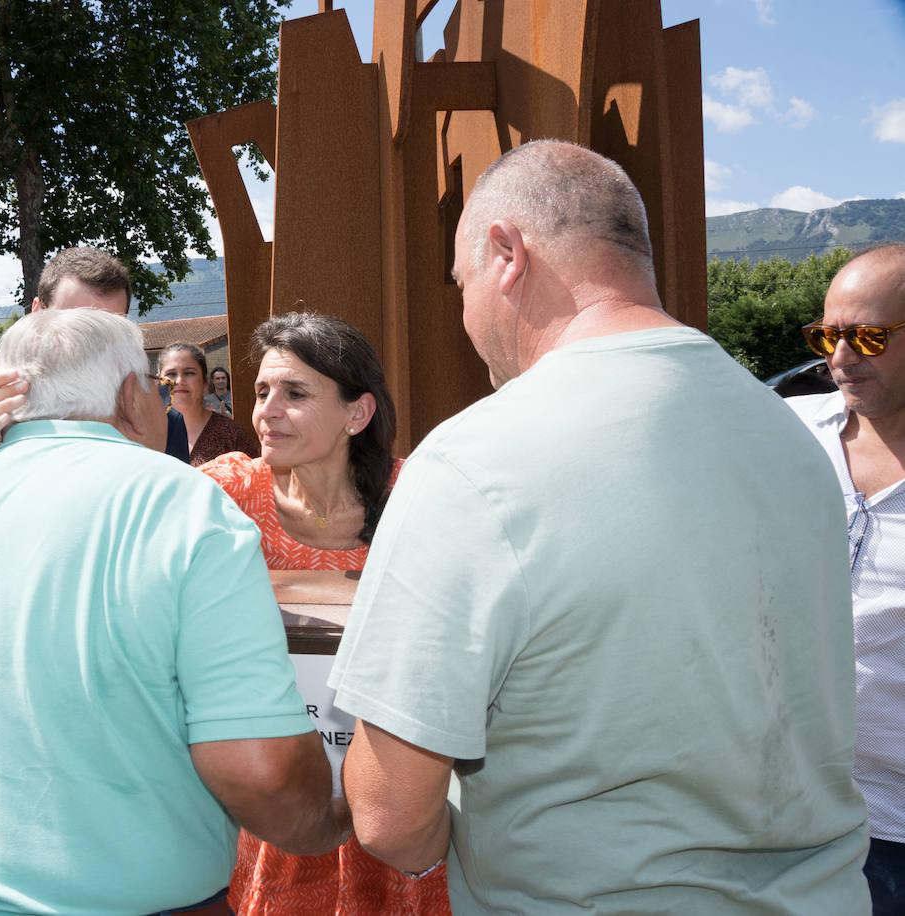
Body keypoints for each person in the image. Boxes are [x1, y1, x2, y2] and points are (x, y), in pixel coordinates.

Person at [328, 140, 871, 914]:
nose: (461, 313)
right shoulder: (788, 435)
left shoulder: (475, 460)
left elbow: (390, 816)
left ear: (505, 253)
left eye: (459, 281)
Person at [0, 308, 348, 916]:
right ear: (127, 395)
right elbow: (261, 769)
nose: (162, 400)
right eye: (152, 384)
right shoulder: (184, 503)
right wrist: (333, 821)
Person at [197, 313, 438, 914]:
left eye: (295, 393)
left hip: (396, 793)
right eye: (261, 392)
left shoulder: (420, 499)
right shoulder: (226, 495)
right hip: (282, 803)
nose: (267, 411)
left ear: (357, 414)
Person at [787, 242, 905, 915]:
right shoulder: (787, 432)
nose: (839, 357)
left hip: (892, 832)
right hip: (784, 815)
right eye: (827, 334)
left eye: (867, 336)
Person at [0, 246, 190, 463]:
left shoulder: (163, 419)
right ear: (36, 313)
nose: (93, 344)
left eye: (113, 328)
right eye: (75, 323)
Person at [160, 343, 258, 466]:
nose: (179, 381)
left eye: (189, 373)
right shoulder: (147, 434)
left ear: (205, 382)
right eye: (171, 374)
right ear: (160, 382)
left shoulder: (231, 434)